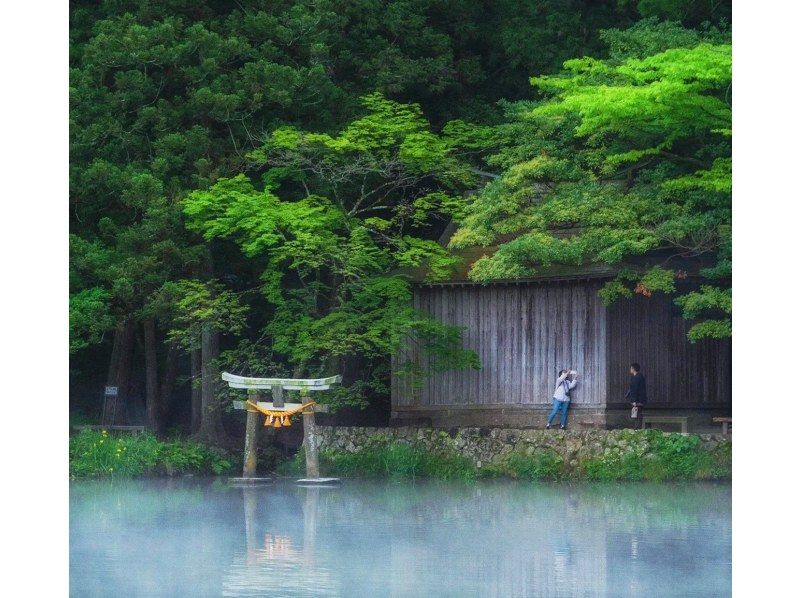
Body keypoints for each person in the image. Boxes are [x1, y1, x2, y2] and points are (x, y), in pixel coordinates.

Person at [626, 362, 647, 427]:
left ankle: (637, 428)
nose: (630, 369)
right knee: (637, 414)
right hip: (640, 399)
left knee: (636, 415)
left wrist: (634, 401)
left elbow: (635, 390)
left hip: (637, 400)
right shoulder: (640, 376)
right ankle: (637, 428)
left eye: (631, 368)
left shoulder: (636, 378)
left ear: (633, 369)